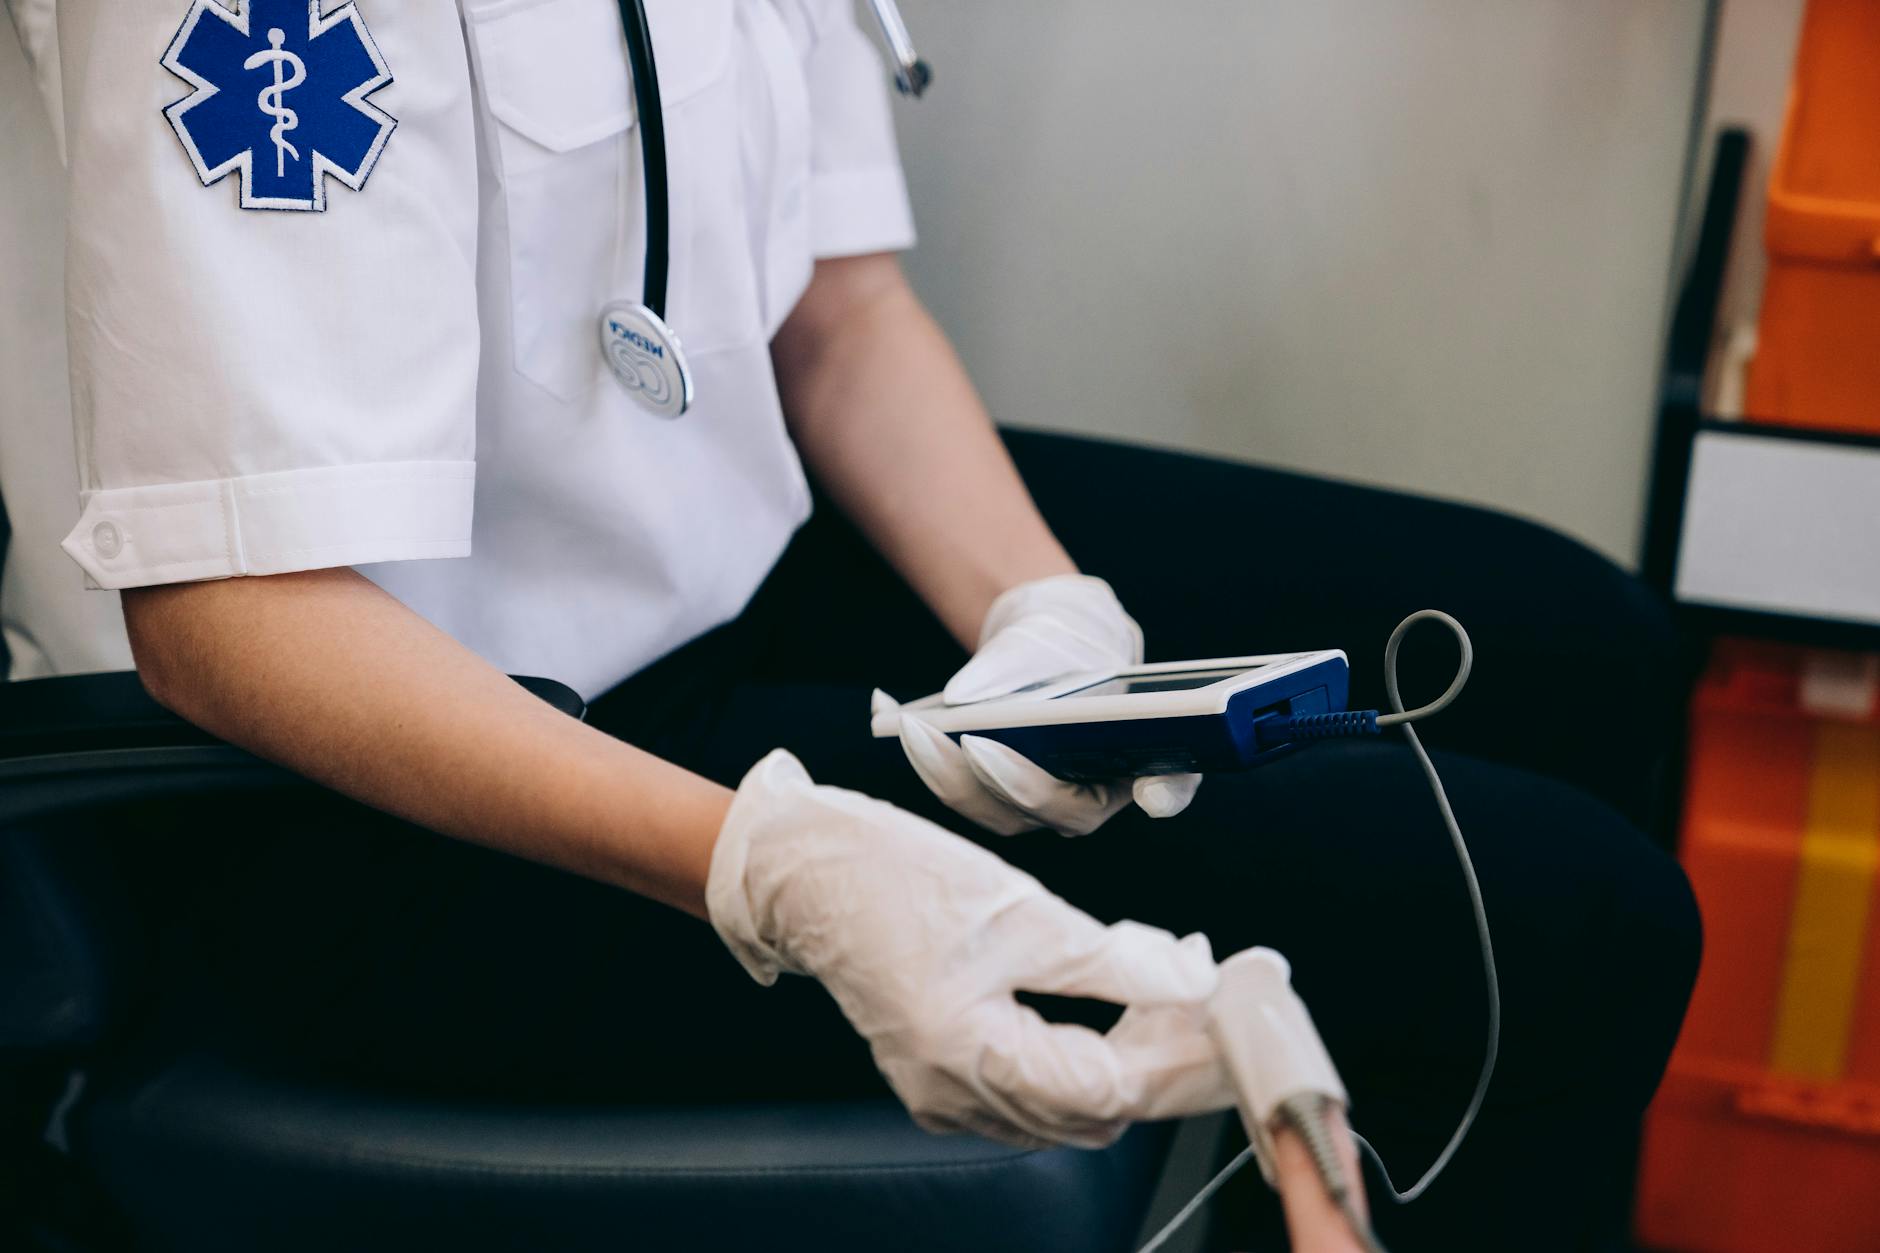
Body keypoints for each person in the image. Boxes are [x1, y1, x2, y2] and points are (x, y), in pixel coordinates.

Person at [1, 2, 1698, 1248]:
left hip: (712, 565)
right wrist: (780, 865)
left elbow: (836, 311)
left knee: (1591, 653)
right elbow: (235, 621)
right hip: (358, 783)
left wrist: (1045, 619)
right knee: (1563, 924)